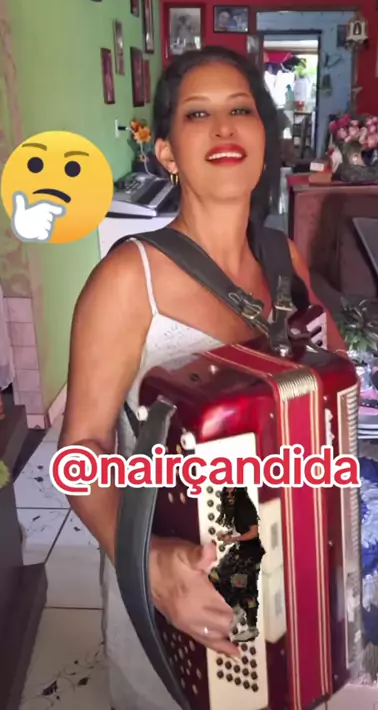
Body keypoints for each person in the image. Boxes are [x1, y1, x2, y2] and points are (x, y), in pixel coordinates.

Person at [59, 45, 343, 710]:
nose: (223, 128)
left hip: (285, 549)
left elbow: (319, 384)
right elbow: (81, 451)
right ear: (166, 152)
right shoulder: (127, 279)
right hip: (180, 573)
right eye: (197, 114)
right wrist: (154, 563)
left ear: (264, 139)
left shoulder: (284, 258)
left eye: (241, 110)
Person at [209, 488, 266, 642]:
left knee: (245, 590)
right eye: (227, 494)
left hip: (249, 555)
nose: (230, 497)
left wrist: (234, 539)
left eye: (233, 494)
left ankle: (250, 627)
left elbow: (253, 532)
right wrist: (227, 535)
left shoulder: (246, 507)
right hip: (240, 552)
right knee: (217, 577)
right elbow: (239, 531)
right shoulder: (234, 509)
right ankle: (236, 608)